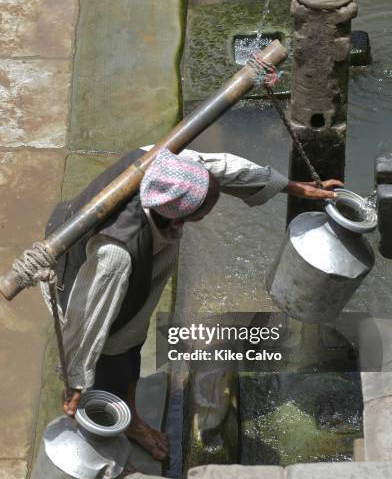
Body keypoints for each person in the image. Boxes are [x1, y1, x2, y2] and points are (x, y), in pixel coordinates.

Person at [42, 144, 343, 461]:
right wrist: (74, 380)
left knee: (131, 340)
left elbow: (224, 167)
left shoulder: (166, 169)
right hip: (75, 276)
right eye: (203, 214)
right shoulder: (117, 253)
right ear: (178, 222)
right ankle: (108, 438)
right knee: (111, 357)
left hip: (120, 270)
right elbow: (88, 317)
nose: (208, 215)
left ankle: (130, 416)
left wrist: (295, 188)